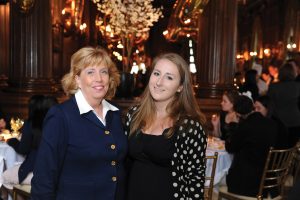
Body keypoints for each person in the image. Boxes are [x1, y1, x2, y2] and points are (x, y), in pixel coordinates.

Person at [31, 47, 128, 200]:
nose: (99, 79)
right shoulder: (61, 116)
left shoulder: (115, 114)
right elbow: (44, 176)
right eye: (90, 72)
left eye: (104, 72)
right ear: (77, 79)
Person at [124, 53, 207, 200]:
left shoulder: (189, 127)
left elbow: (195, 182)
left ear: (180, 87)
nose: (159, 82)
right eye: (156, 74)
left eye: (169, 77)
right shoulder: (134, 115)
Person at [1, 95, 58, 200]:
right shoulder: (58, 123)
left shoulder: (32, 123)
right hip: (57, 172)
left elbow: (23, 149)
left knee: (4, 177)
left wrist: (11, 141)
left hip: (37, 173)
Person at [225, 95, 280, 198]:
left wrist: (232, 126)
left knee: (223, 177)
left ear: (238, 113)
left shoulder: (245, 126)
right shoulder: (272, 124)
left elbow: (230, 148)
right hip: (267, 180)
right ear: (252, 107)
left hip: (247, 184)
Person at [268, 63, 300, 146]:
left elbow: (270, 105)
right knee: (292, 147)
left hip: (279, 121)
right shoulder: (297, 86)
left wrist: (267, 119)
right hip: (295, 120)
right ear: (293, 73)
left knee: (279, 146)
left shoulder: (273, 86)